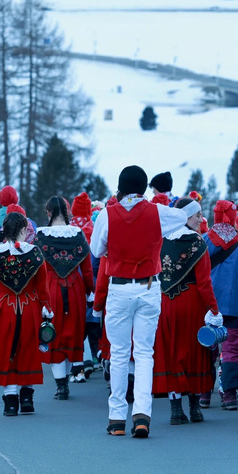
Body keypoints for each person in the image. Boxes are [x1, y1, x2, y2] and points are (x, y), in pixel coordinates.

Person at [90, 165, 190, 439]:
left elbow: (96, 250)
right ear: (145, 187)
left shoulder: (107, 214)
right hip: (149, 287)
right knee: (145, 353)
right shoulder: (157, 212)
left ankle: (116, 418)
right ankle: (142, 415)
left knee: (120, 353)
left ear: (120, 187)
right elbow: (182, 216)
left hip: (119, 288)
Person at [0, 212, 54, 416]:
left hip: (4, 307)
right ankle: (27, 397)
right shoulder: (34, 253)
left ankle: (10, 400)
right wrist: (47, 307)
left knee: (7, 349)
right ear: (23, 230)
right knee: (28, 349)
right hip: (29, 306)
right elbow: (42, 287)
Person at [154, 197, 222, 425]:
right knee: (194, 352)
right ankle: (194, 407)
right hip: (192, 302)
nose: (201, 219)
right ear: (185, 217)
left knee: (172, 351)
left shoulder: (161, 240)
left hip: (165, 302)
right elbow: (204, 282)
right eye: (197, 215)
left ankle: (175, 408)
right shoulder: (196, 242)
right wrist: (214, 309)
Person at [34, 196, 94, 401]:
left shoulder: (41, 236)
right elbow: (87, 269)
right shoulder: (77, 234)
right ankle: (65, 381)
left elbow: (36, 269)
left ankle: (61, 385)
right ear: (67, 212)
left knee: (54, 334)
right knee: (72, 335)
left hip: (50, 288)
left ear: (49, 212)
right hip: (75, 288)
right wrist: (90, 291)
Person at [204, 199, 238, 410]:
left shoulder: (204, 241)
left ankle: (204, 394)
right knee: (232, 349)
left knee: (208, 348)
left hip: (209, 305)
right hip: (234, 305)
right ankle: (229, 394)